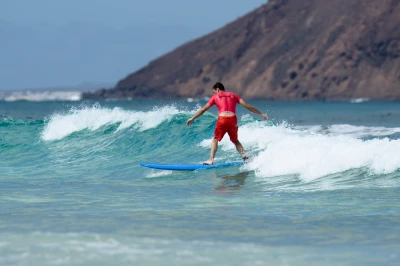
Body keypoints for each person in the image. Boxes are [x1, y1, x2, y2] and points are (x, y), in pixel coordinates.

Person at [186, 82, 268, 165]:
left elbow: (204, 109)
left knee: (215, 139)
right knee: (235, 140)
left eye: (214, 92)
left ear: (217, 89)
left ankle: (211, 160)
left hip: (222, 119)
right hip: (233, 119)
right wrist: (261, 113)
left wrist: (193, 118)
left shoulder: (215, 97)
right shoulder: (234, 95)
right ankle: (245, 157)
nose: (214, 93)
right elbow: (247, 106)